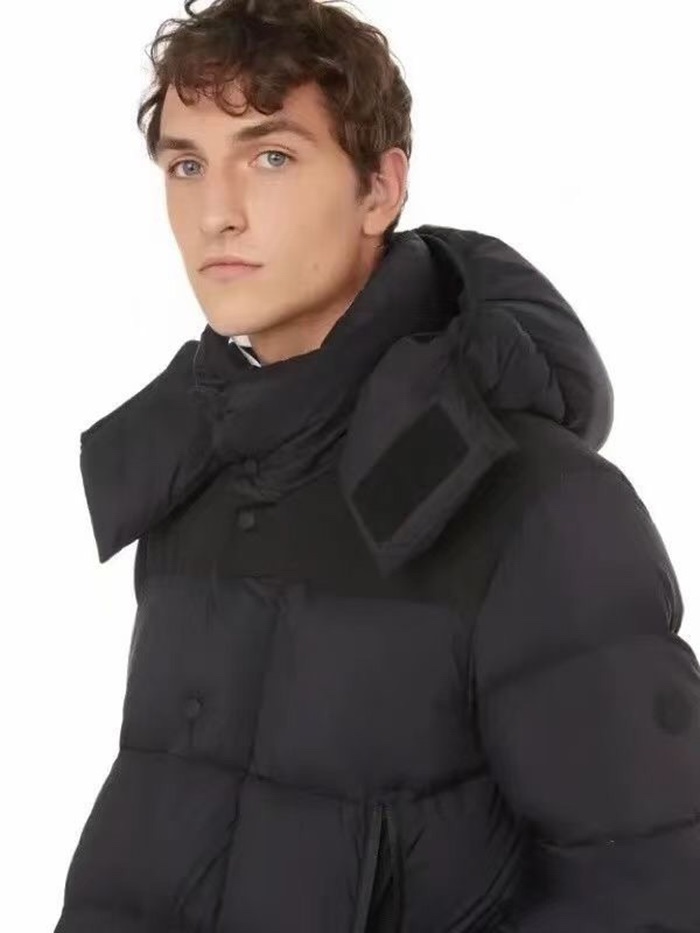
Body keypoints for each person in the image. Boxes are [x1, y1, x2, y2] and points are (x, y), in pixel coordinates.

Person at [53, 1, 700, 931]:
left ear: (380, 191)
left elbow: (652, 892)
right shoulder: (199, 472)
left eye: (272, 157)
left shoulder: (540, 509)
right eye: (187, 165)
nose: (216, 212)